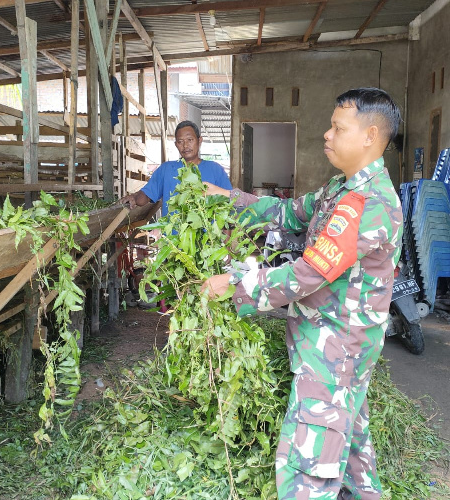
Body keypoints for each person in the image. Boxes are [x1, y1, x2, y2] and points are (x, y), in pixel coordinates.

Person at [202, 88, 404, 500]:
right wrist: (230, 199)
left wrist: (237, 286)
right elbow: (288, 213)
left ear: (369, 135)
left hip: (336, 354)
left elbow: (309, 272)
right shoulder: (339, 190)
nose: (327, 135)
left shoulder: (367, 203)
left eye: (337, 128)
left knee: (308, 473)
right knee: (351, 455)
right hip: (336, 350)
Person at [119, 120, 232, 216]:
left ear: (199, 141)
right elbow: (146, 195)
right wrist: (134, 197)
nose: (185, 145)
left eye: (190, 140)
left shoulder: (215, 170)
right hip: (173, 240)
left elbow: (228, 204)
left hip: (207, 240)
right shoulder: (166, 169)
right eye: (180, 141)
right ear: (176, 144)